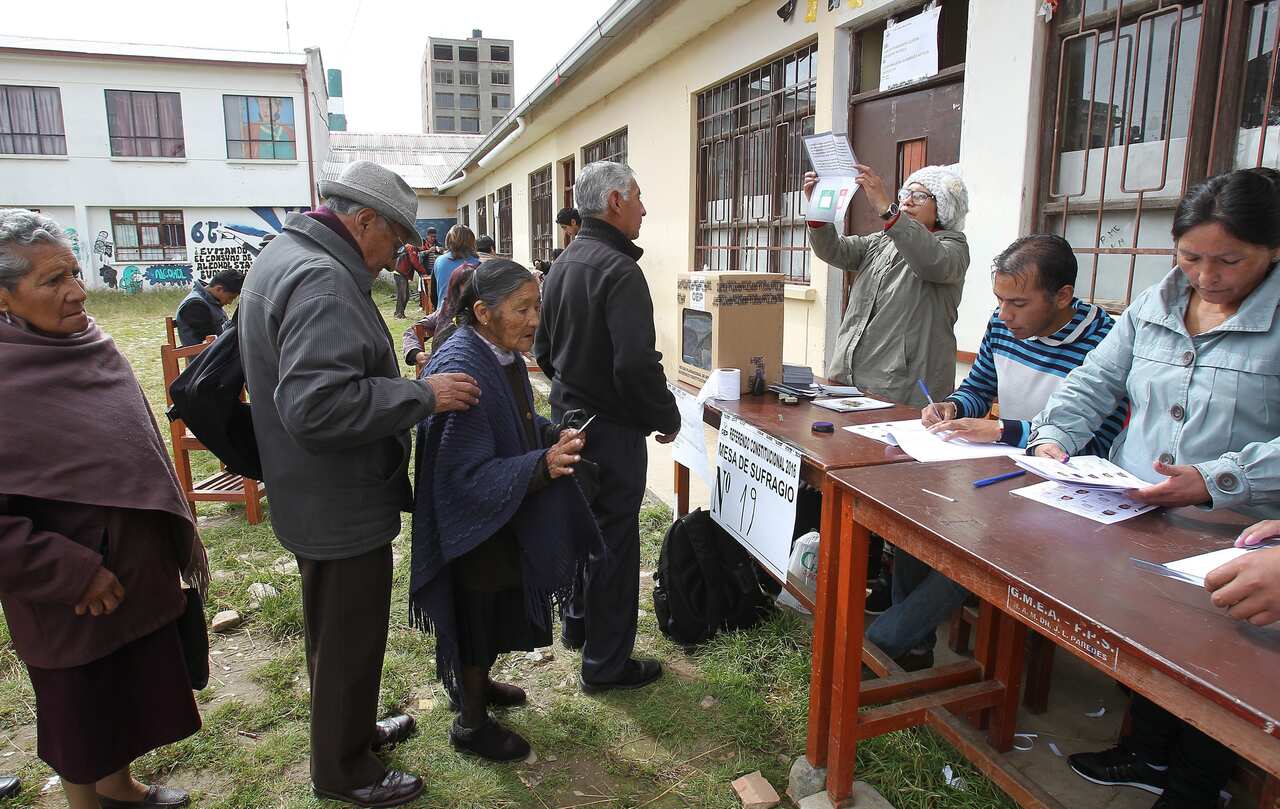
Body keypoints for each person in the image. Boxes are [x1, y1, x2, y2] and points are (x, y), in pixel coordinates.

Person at [1027, 168, 1280, 809]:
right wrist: (1054, 438)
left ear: (1274, 249)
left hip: (1242, 528)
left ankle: (1195, 789)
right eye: (1191, 256)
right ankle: (1144, 753)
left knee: (1216, 661)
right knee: (1148, 638)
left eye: (1230, 260)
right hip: (1139, 506)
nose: (1207, 276)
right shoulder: (1156, 301)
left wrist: (1217, 479)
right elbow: (1096, 380)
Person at [238, 161, 482, 808]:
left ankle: (349, 728)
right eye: (394, 237)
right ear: (361, 218)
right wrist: (419, 394)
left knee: (336, 632)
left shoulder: (287, 253)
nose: (397, 252)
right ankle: (344, 768)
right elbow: (317, 405)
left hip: (310, 490)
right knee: (349, 629)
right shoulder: (322, 282)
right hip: (337, 499)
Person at [0, 208, 208, 809]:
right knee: (82, 714)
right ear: (5, 297)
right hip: (69, 592)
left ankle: (120, 788)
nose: (75, 290)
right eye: (53, 281)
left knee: (128, 696)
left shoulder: (92, 344)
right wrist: (71, 572)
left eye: (74, 272)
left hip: (132, 573)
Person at [865, 234, 1128, 670]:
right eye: (1000, 301)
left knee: (973, 543)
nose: (1004, 315)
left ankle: (882, 643)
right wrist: (952, 406)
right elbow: (978, 389)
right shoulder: (1003, 325)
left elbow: (1096, 441)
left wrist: (1006, 430)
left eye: (1018, 304)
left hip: (1066, 486)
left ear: (1062, 296)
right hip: (1002, 464)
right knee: (915, 513)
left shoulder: (1107, 342)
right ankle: (912, 643)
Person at [411, 260, 598, 761]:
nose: (535, 319)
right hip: (469, 523)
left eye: (537, 305)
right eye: (522, 308)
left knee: (492, 611)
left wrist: (547, 436)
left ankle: (478, 687)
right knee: (477, 615)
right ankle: (471, 724)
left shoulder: (501, 354)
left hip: (496, 516)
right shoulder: (463, 367)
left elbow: (512, 419)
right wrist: (540, 465)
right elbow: (462, 474)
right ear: (482, 312)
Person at [534, 161, 680, 692]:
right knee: (613, 544)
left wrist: (574, 391)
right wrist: (665, 415)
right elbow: (635, 366)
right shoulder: (620, 271)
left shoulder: (565, 262)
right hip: (610, 431)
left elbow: (544, 352)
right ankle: (606, 664)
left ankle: (578, 626)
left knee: (582, 529)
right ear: (615, 201)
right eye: (639, 197)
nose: (645, 208)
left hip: (568, 422)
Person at [802, 164, 970, 406]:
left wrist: (888, 211)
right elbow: (834, 250)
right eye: (905, 194)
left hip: (900, 388)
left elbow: (930, 261)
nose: (908, 201)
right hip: (850, 377)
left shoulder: (953, 248)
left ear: (943, 207)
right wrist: (819, 208)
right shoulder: (883, 240)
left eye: (920, 196)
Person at [402, 265, 476, 376]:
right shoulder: (445, 311)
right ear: (456, 288)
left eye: (472, 286)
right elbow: (411, 331)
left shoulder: (484, 314)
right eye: (465, 285)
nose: (469, 290)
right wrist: (416, 354)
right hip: (441, 372)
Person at [174, 268, 243, 346]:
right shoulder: (195, 305)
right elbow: (208, 340)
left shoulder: (210, 301)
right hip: (207, 356)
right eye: (230, 298)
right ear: (219, 289)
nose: (230, 302)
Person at [432, 225, 481, 310]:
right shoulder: (478, 263)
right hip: (469, 316)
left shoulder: (439, 261)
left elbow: (433, 294)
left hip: (443, 314)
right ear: (472, 241)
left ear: (448, 240)